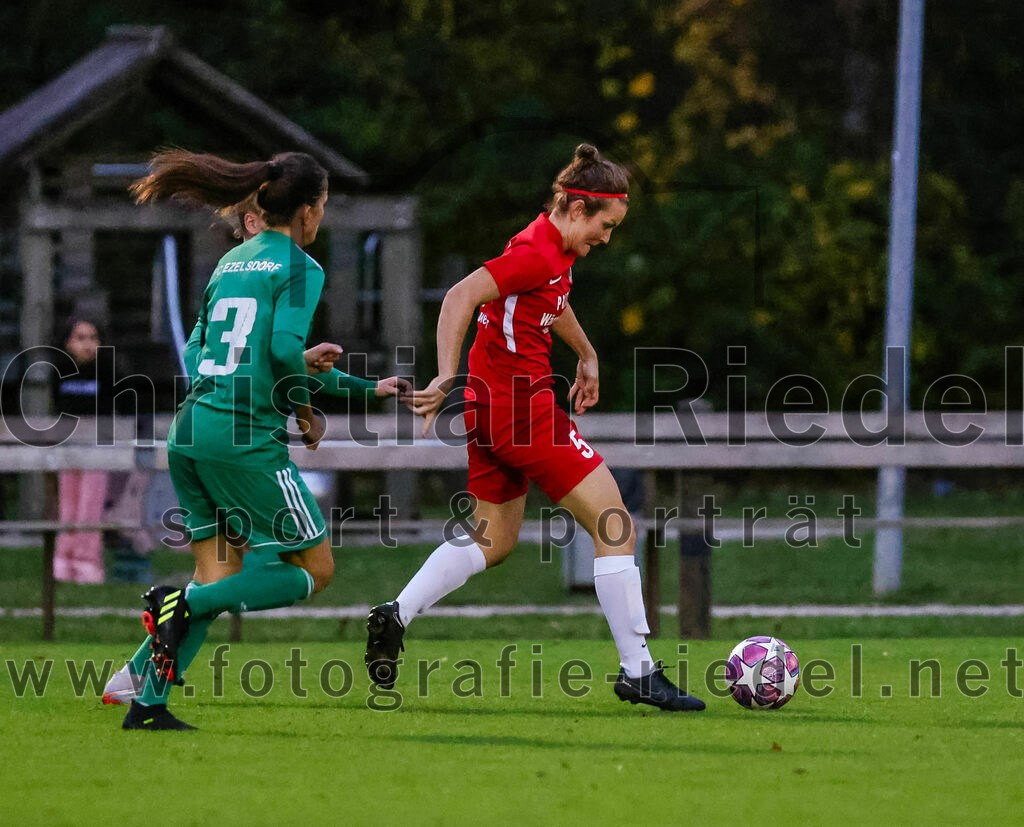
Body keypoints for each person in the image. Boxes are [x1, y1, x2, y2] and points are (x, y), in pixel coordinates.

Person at [365, 144, 705, 712]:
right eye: (605, 225)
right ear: (576, 209)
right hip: (521, 411)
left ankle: (396, 613)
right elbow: (459, 296)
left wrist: (587, 353)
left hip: (490, 407)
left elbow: (550, 302)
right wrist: (445, 373)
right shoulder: (536, 253)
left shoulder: (550, 248)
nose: (608, 237)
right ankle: (639, 671)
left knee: (492, 539)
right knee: (615, 524)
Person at [113, 149, 409, 729]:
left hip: (192, 431)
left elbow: (205, 351)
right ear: (307, 209)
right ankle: (176, 605)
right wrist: (302, 409)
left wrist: (366, 390)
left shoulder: (232, 264)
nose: (320, 219)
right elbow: (277, 353)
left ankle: (144, 699)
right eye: (322, 207)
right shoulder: (300, 267)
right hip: (243, 440)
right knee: (315, 567)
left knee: (221, 574)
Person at [52, 319, 110, 583]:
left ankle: (87, 564)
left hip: (99, 447)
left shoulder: (108, 372)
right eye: (80, 338)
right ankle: (63, 561)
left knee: (90, 506)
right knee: (68, 505)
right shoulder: (59, 370)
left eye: (92, 337)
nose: (87, 344)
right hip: (69, 446)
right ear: (68, 342)